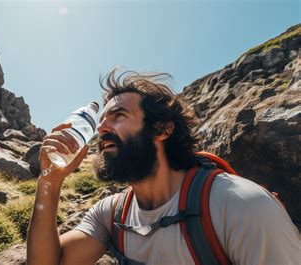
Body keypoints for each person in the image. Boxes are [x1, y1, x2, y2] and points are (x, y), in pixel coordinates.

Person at [27, 68, 300, 265]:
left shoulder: (239, 205)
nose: (101, 128)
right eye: (101, 121)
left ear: (162, 129)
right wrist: (49, 182)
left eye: (118, 115)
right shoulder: (112, 214)